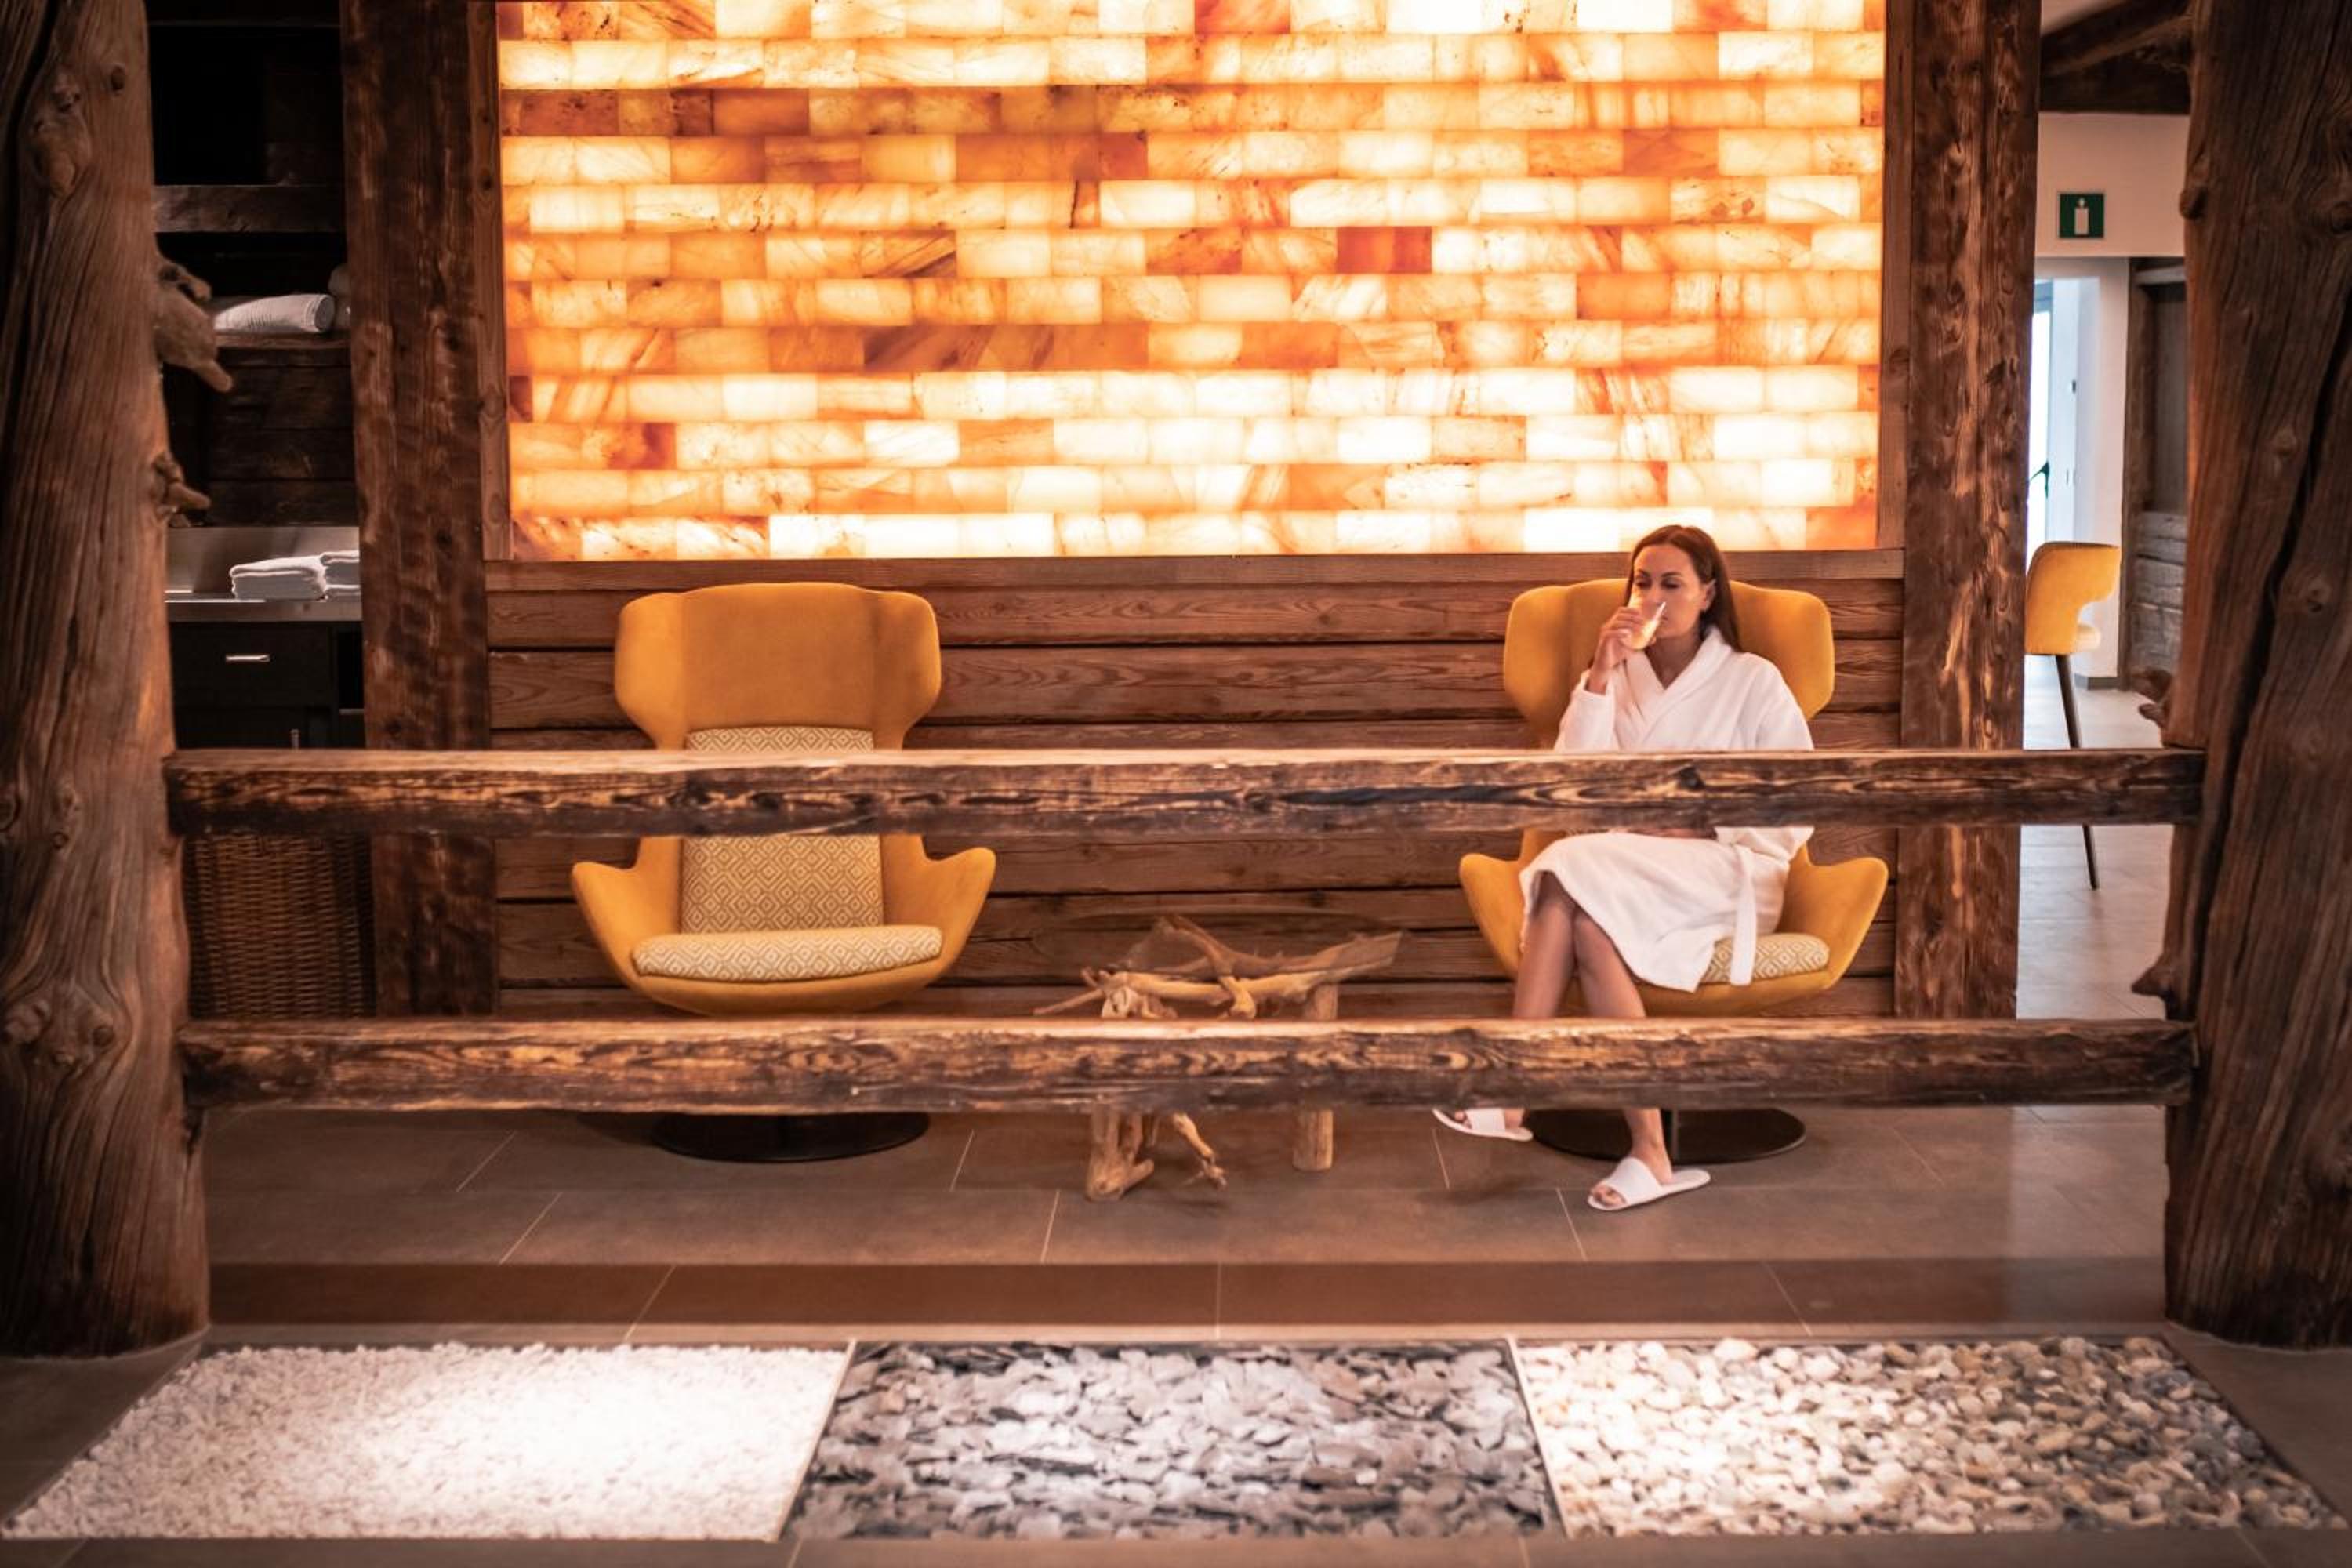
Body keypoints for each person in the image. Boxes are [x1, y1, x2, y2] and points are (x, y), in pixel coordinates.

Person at [1436, 524, 1814, 1212]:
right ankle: (1649, 1152)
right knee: (1587, 919)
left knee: (1565, 866)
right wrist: (1600, 674)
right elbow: (1571, 786)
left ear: (1708, 594)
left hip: (1726, 869)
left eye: (1672, 583)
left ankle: (1515, 1090)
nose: (1654, 598)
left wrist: (1699, 824)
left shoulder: (1753, 680)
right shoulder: (1615, 676)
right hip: (1622, 869)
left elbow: (1798, 799)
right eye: (1642, 582)